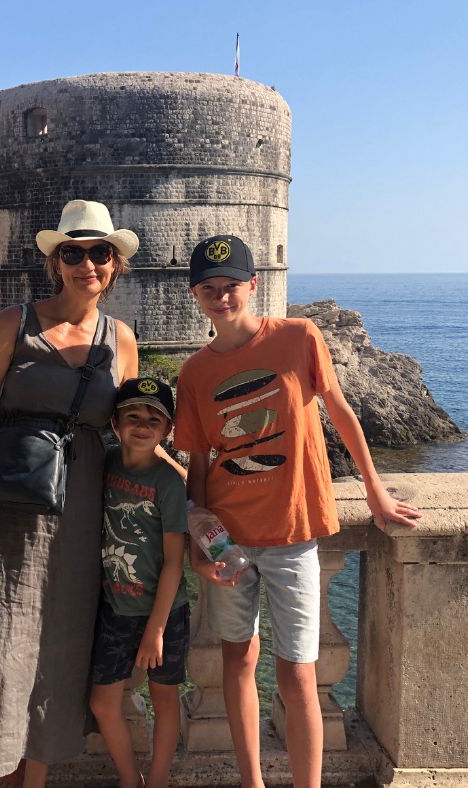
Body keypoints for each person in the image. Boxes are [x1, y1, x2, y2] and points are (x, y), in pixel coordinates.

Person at [173, 235, 421, 788]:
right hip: (228, 539)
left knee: (299, 674)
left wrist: (374, 489)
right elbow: (197, 460)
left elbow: (340, 411)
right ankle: (252, 783)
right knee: (237, 663)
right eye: (209, 289)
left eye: (231, 286)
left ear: (253, 285)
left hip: (293, 533)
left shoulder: (297, 337)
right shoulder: (194, 373)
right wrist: (198, 534)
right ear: (196, 296)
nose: (222, 298)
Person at [0, 200, 146, 788]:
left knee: (59, 652)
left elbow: (134, 431)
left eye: (99, 253)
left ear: (115, 264)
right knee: (7, 649)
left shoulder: (122, 341)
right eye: (74, 253)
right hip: (9, 511)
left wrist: (187, 485)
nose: (88, 264)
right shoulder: (15, 323)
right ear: (57, 262)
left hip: (82, 515)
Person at [89, 378, 189, 788]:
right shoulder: (106, 462)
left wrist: (156, 630)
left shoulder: (168, 482)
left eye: (154, 418)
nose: (143, 424)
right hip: (115, 609)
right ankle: (132, 779)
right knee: (102, 702)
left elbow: (173, 562)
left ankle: (159, 779)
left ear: (167, 431)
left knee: (165, 700)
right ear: (115, 424)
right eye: (133, 416)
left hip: (164, 613)